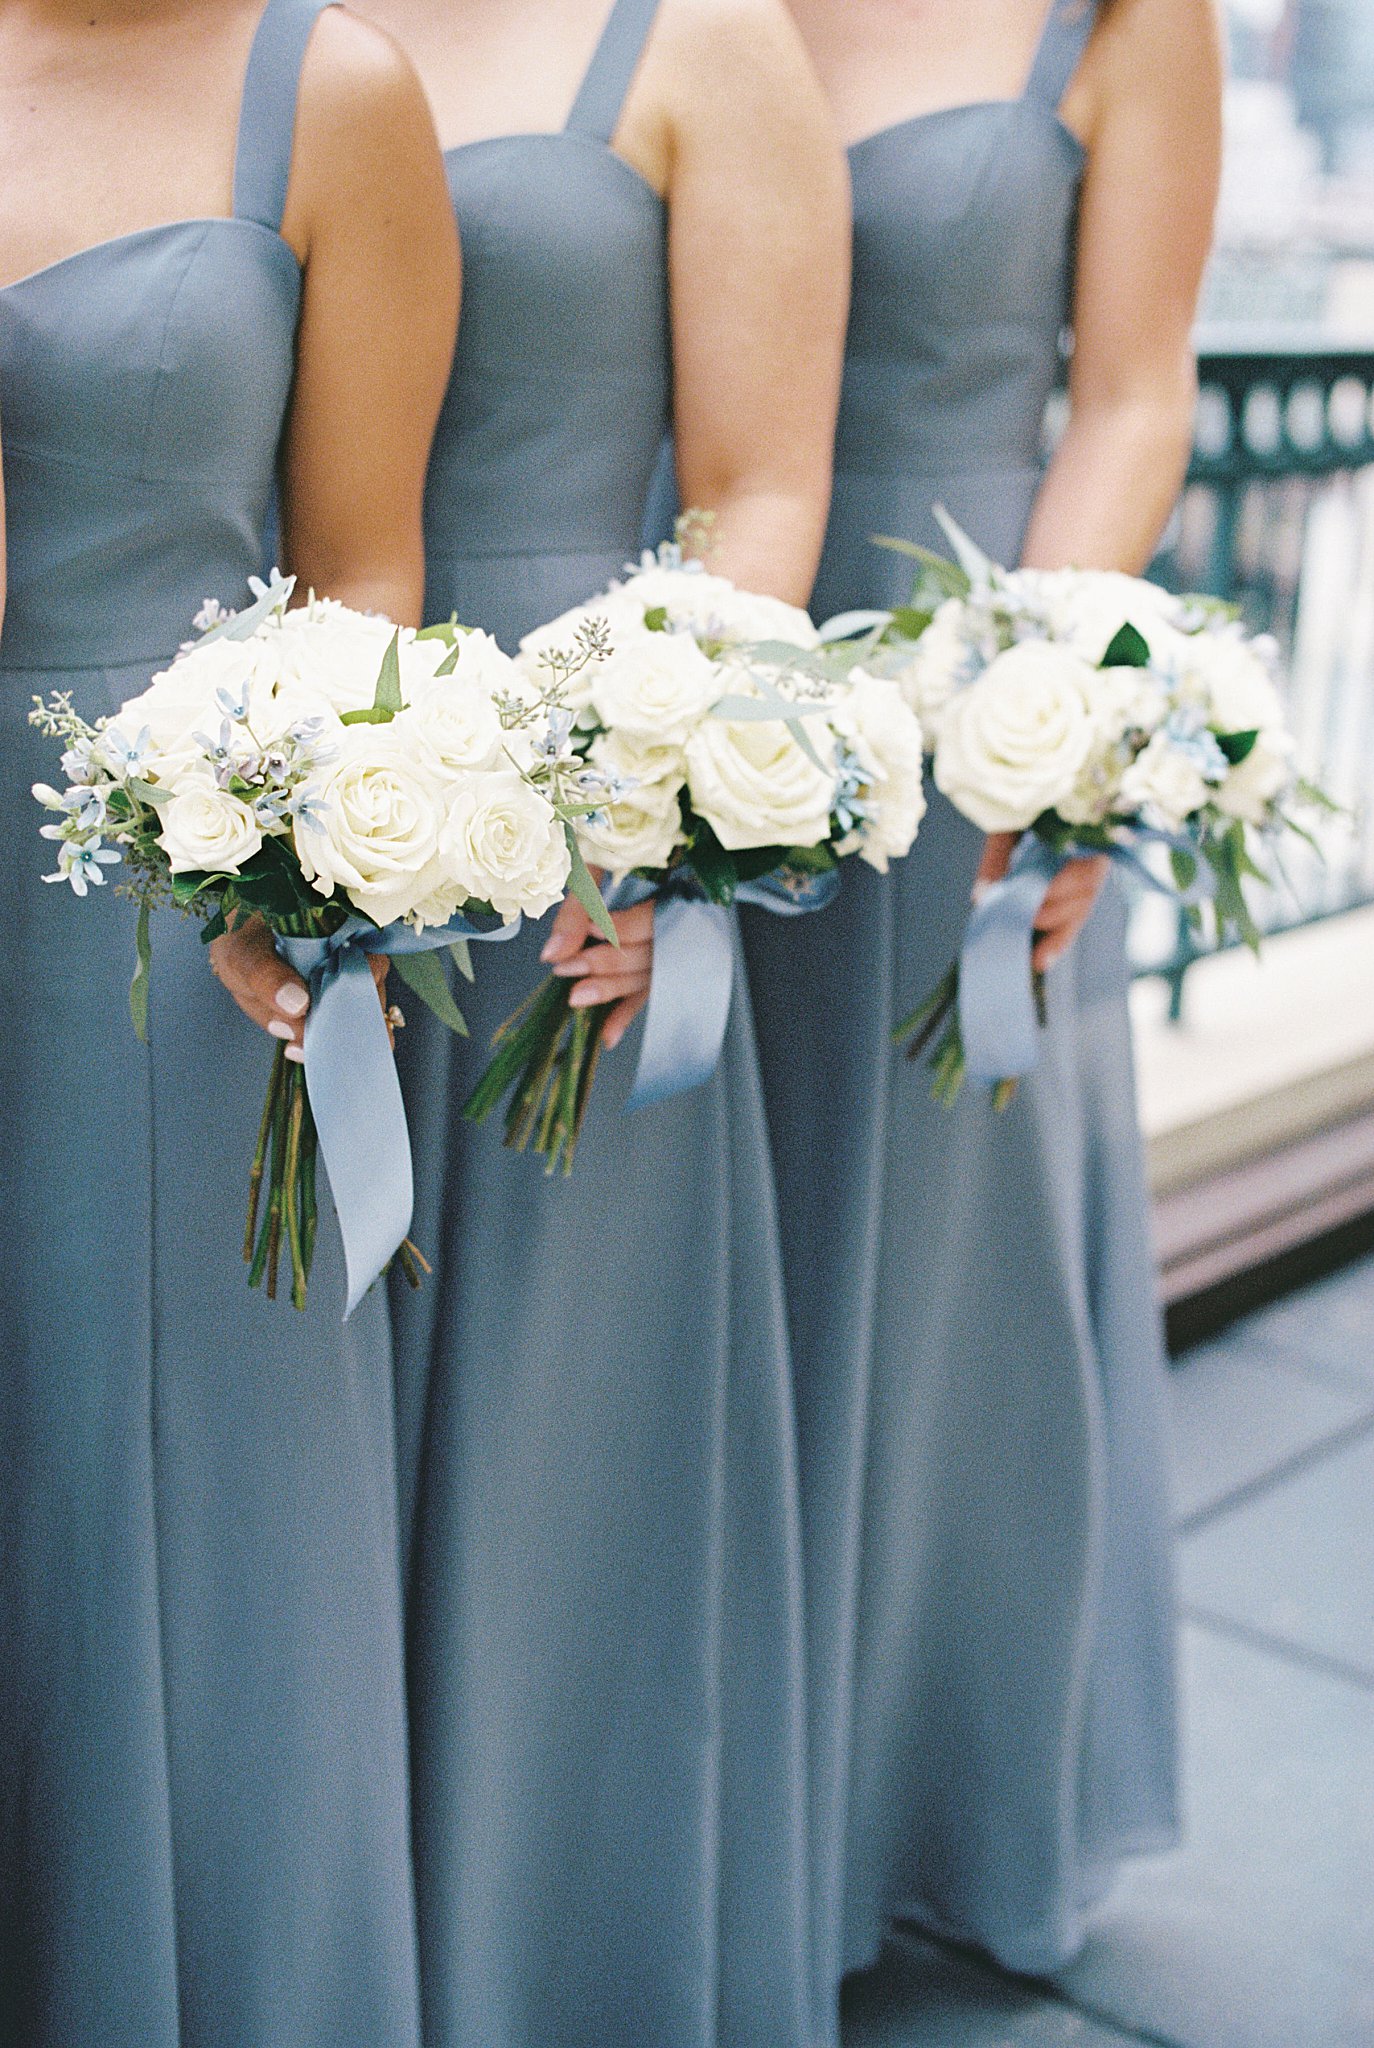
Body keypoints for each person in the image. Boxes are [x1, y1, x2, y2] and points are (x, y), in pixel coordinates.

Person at [353, 1, 849, 2041]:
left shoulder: (707, 38)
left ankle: (565, 1970)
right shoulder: (293, 36)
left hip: (572, 859)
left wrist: (642, 818)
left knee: (564, 1454)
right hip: (316, 795)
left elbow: (760, 486)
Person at [741, 0, 1223, 1989]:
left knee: (948, 1267)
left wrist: (1033, 708)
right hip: (688, 686)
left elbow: (1132, 394)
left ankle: (907, 1815)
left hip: (964, 717)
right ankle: (721, 1798)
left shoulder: (1124, 18)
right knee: (730, 1246)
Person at [0, 2, 457, 2037]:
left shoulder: (330, 91)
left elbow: (362, 563)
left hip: (160, 932)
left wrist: (287, 860)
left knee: (176, 1511)